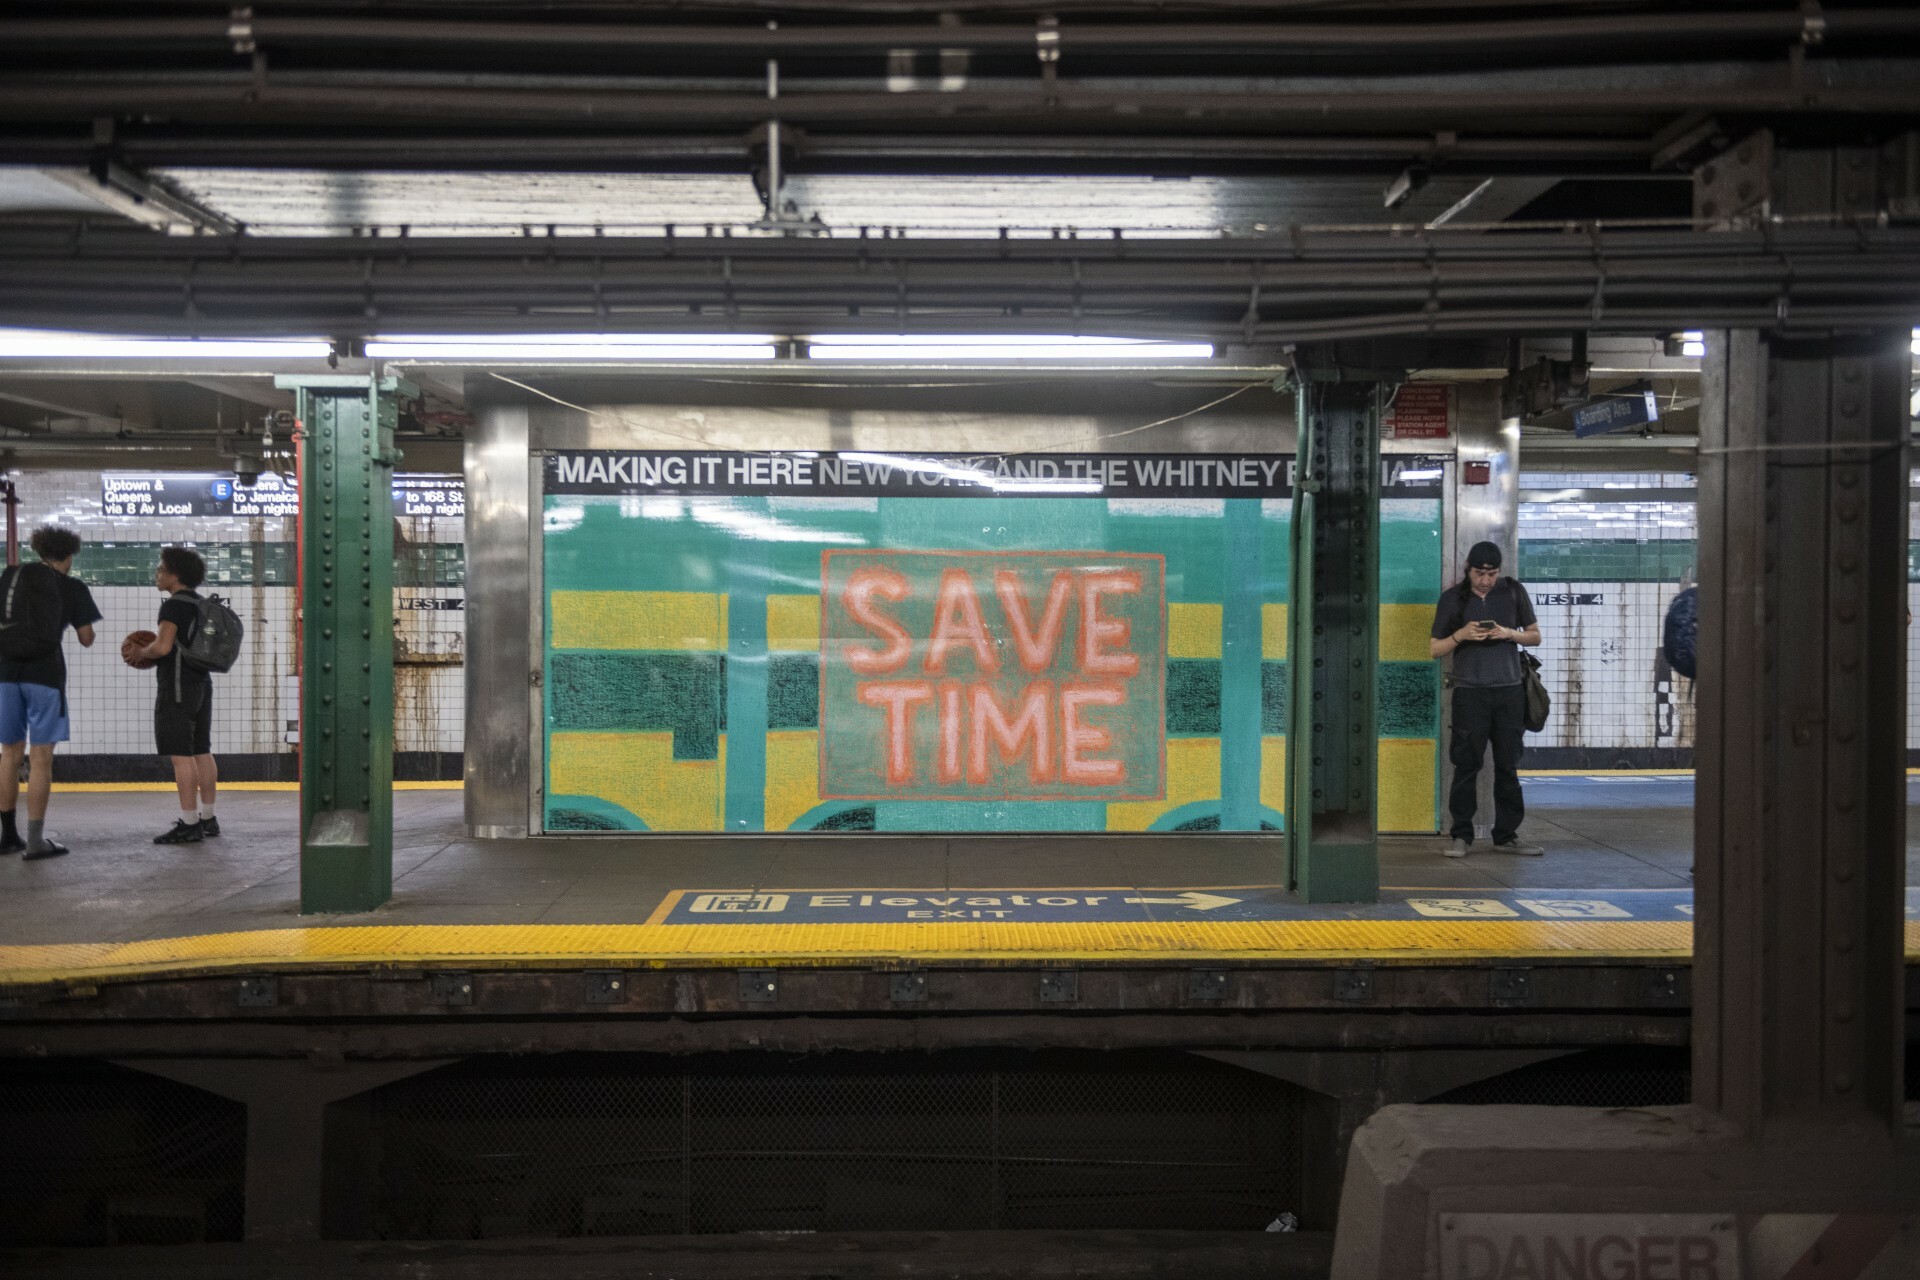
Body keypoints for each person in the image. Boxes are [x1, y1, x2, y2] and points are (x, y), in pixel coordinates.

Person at [1429, 541, 1543, 858]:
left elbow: (1535, 635)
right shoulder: (1453, 599)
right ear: (1469, 570)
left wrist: (1509, 633)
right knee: (1466, 765)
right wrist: (1461, 635)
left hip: (1509, 691)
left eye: (1491, 574)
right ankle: (1461, 835)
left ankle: (1506, 835)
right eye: (1480, 573)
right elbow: (1434, 649)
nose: (1486, 581)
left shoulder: (1513, 592)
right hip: (1470, 693)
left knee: (1508, 765)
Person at [0, 526, 102, 860]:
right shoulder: (72, 586)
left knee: (9, 754)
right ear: (69, 555)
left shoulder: (12, 578)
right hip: (45, 676)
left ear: (41, 551)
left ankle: (8, 836)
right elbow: (86, 638)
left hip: (5, 674)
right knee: (41, 757)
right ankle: (35, 841)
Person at [124, 546, 219, 845]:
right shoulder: (200, 603)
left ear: (175, 575)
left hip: (177, 686)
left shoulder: (173, 605)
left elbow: (163, 647)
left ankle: (189, 824)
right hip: (201, 683)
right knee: (202, 750)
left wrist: (141, 652)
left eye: (161, 569)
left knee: (181, 755)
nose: (157, 574)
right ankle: (208, 818)